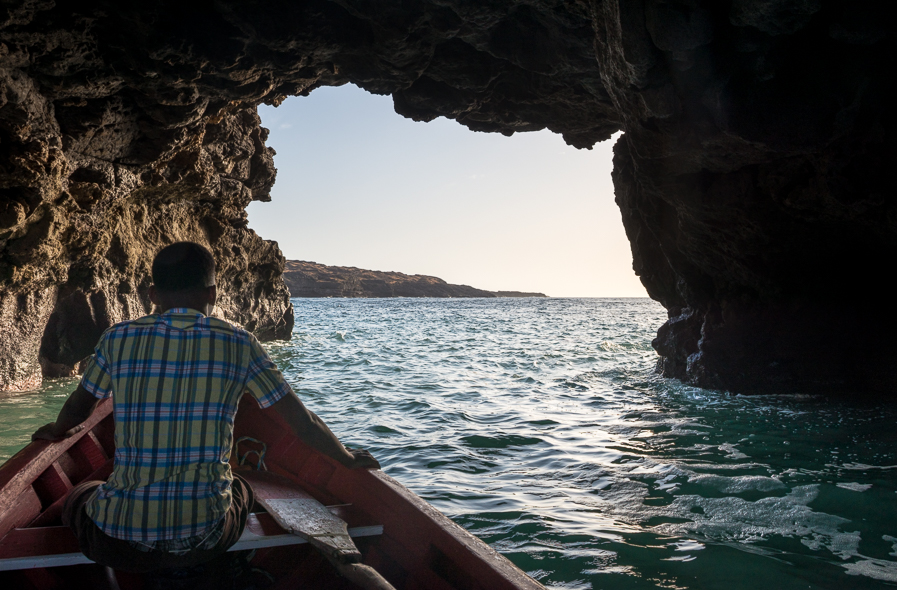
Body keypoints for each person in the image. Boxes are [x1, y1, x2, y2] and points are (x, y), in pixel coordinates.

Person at [32, 241, 379, 574]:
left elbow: (80, 406)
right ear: (212, 293)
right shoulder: (241, 342)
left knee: (82, 495)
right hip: (206, 538)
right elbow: (303, 423)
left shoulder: (118, 338)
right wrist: (345, 458)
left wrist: (58, 430)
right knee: (240, 487)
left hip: (120, 542)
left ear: (153, 295)